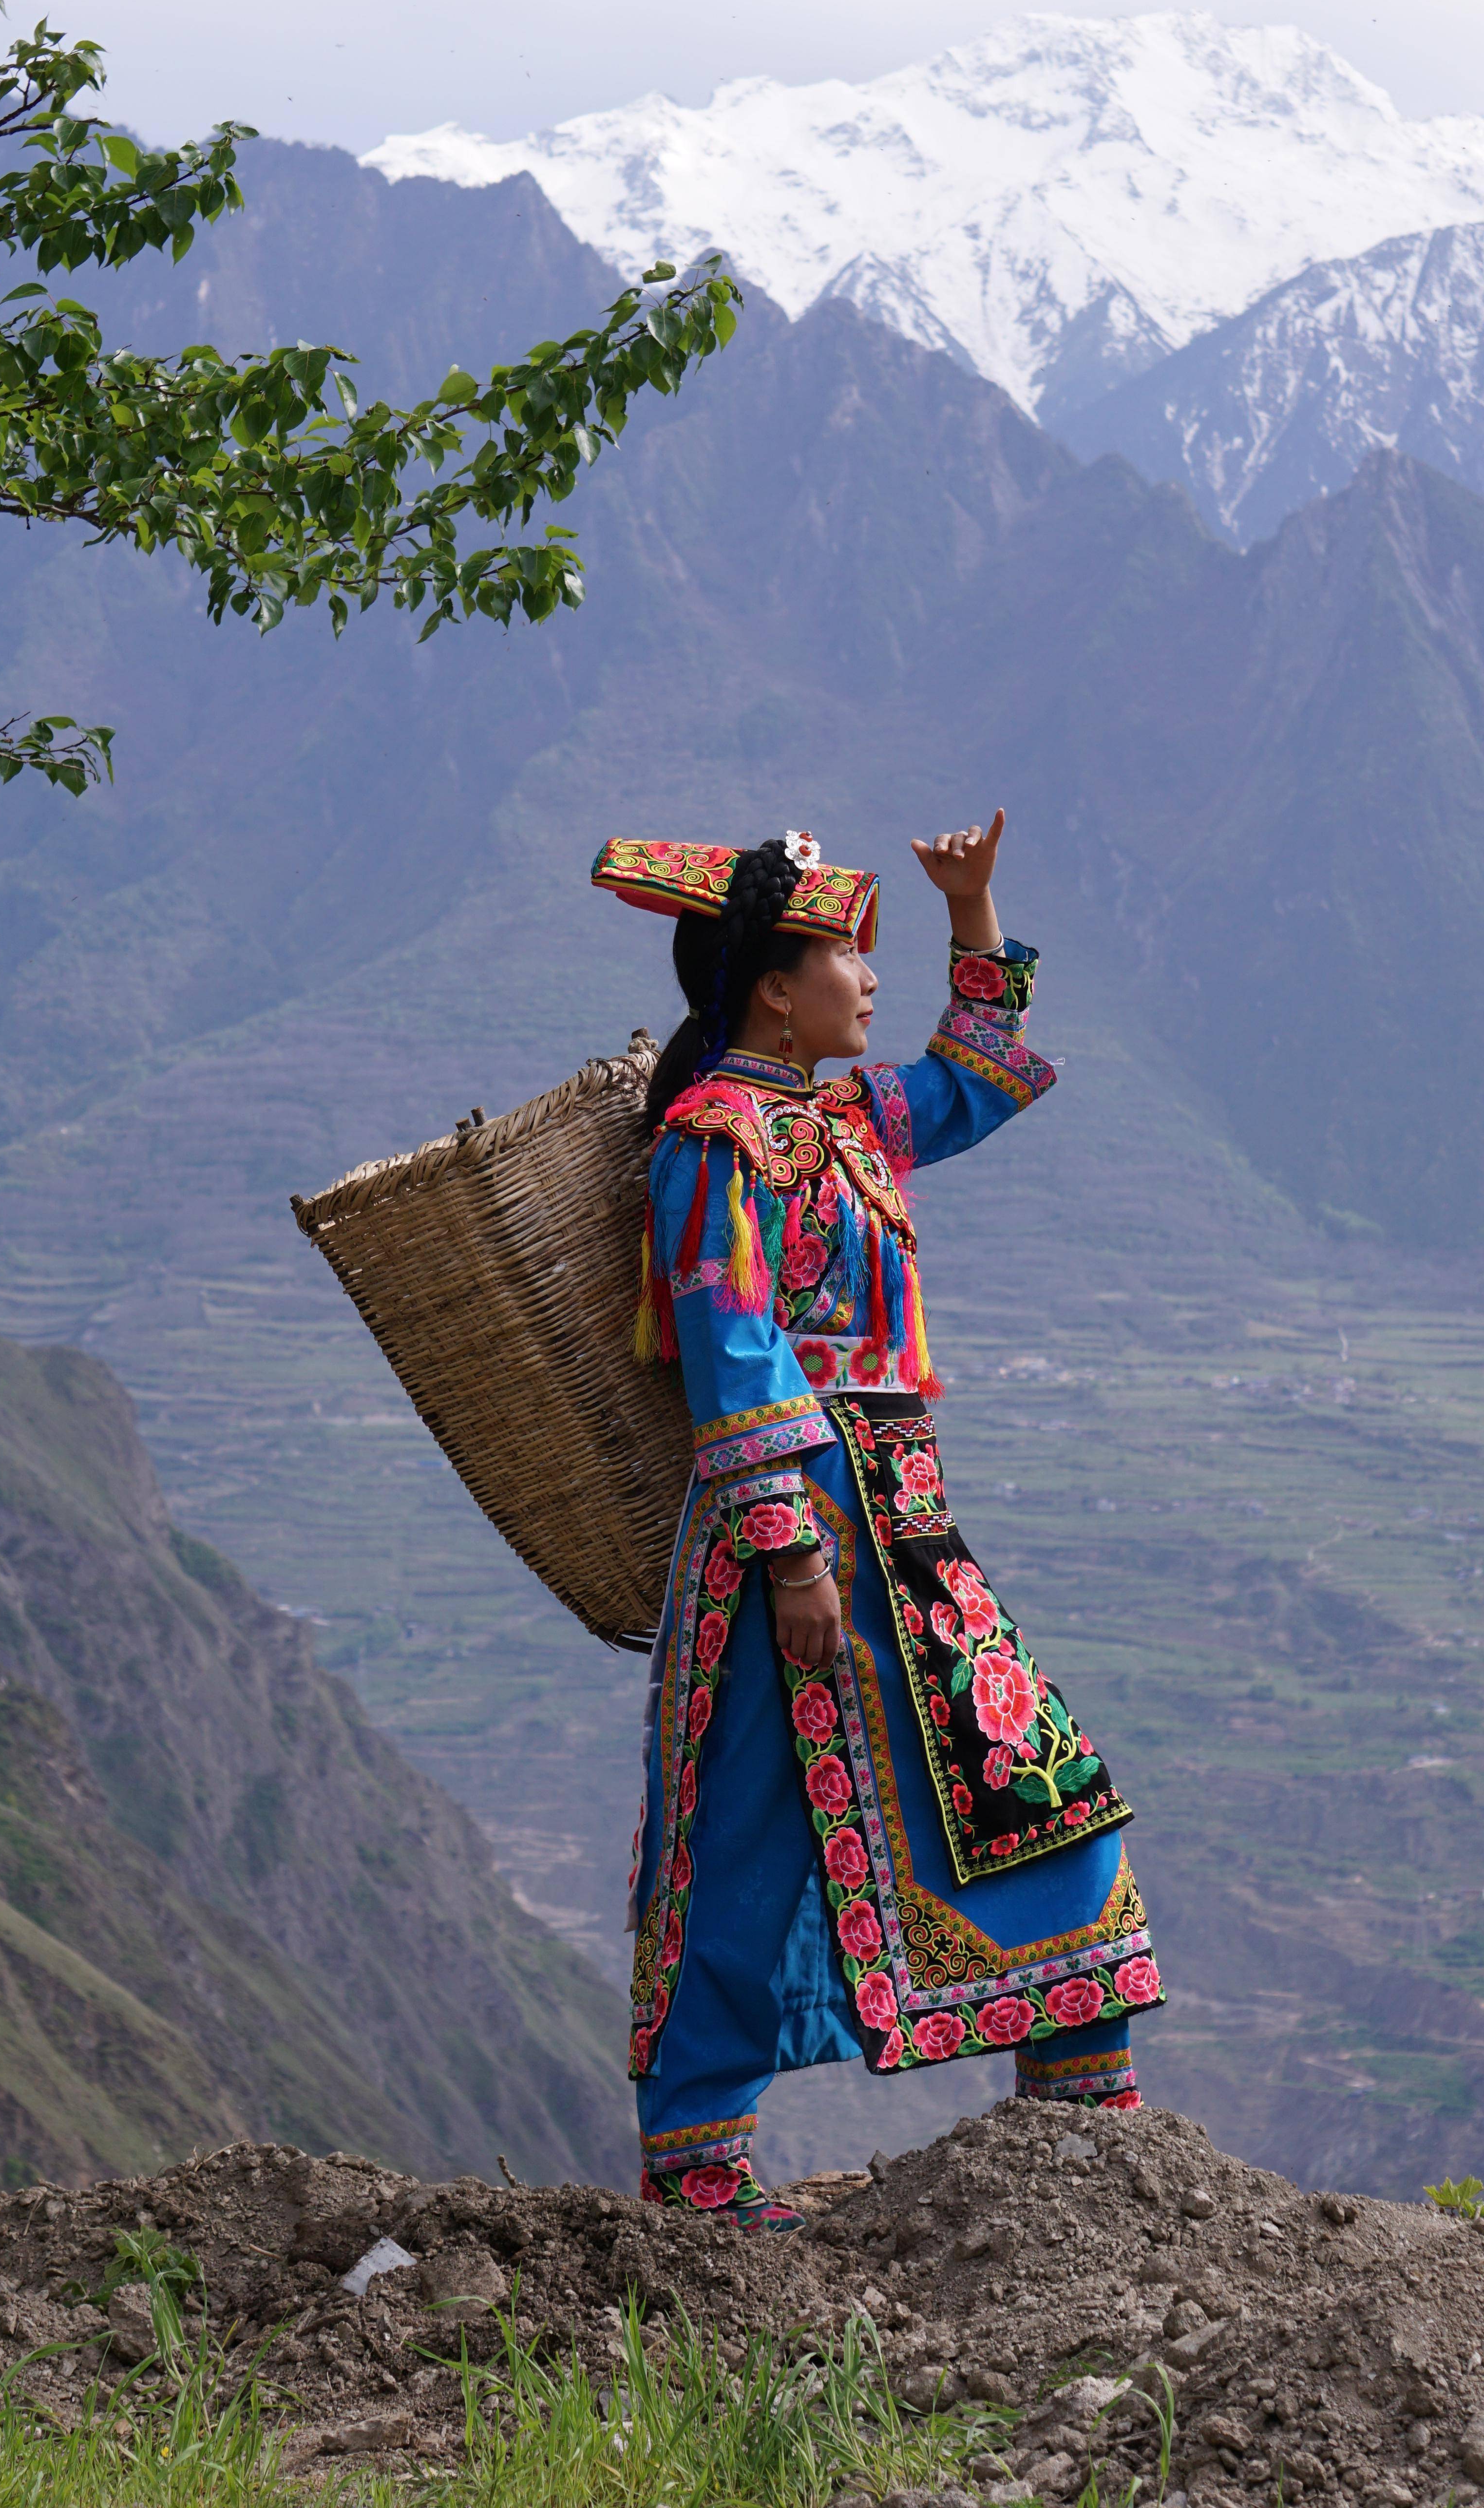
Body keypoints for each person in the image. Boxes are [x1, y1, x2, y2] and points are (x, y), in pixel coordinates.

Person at [592, 815, 1163, 2229]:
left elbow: (981, 1076)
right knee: (749, 1832)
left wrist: (973, 911)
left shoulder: (850, 1123)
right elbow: (736, 1351)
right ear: (775, 991)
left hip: (905, 1523)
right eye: (850, 955)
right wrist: (790, 1554)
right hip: (785, 1534)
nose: (868, 979)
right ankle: (702, 2172)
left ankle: (1084, 2101)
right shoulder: (711, 1143)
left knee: (1028, 1778)